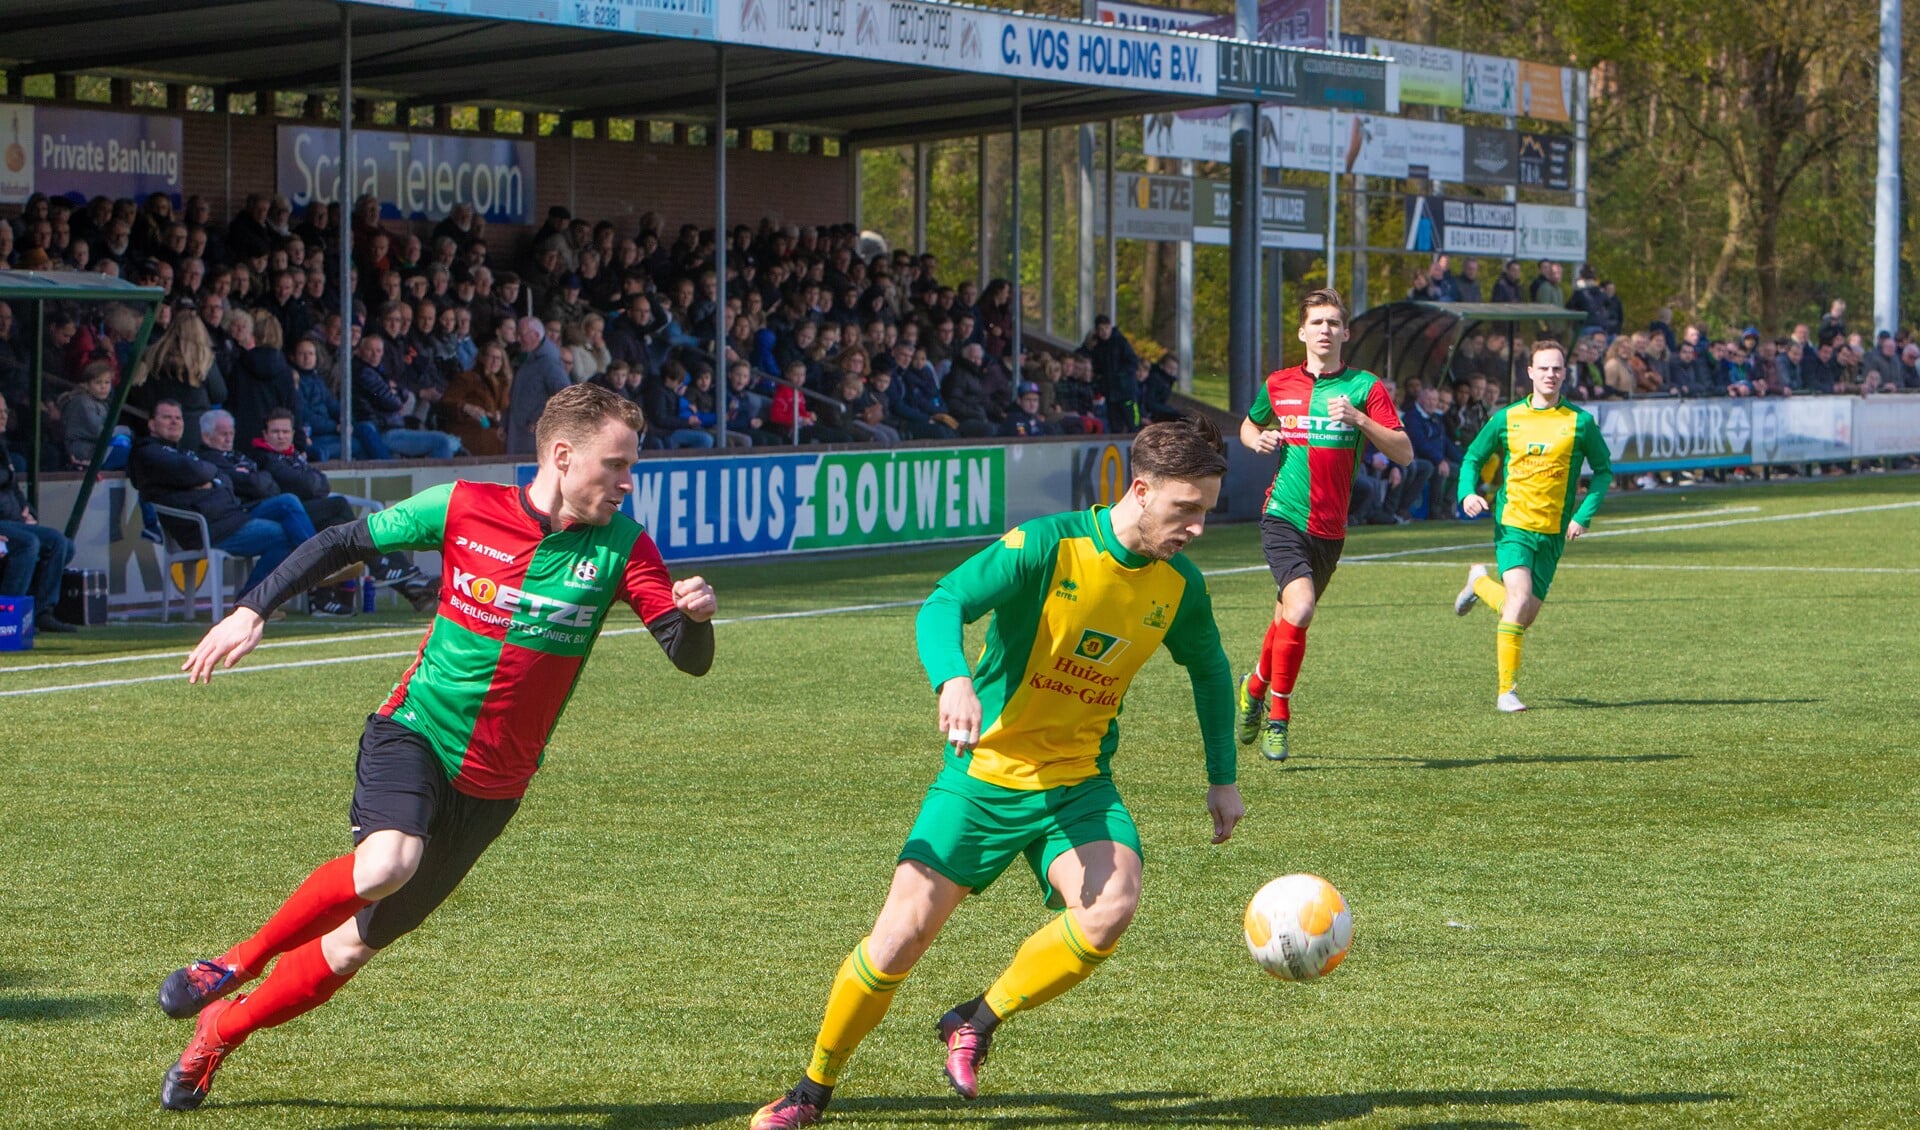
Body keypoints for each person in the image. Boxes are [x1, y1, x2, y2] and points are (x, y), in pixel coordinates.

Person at [155, 384, 718, 1111]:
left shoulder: (622, 547)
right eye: (615, 465)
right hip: (414, 733)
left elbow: (688, 657)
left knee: (351, 948)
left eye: (630, 467)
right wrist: (250, 610)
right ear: (562, 454)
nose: (627, 482)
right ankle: (232, 963)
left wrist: (694, 615)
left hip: (495, 787)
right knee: (388, 860)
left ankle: (218, 1034)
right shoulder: (462, 506)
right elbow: (343, 541)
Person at [750, 417, 1243, 1130]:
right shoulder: (1048, 545)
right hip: (983, 775)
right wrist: (953, 680)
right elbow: (944, 602)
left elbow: (1210, 670)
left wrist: (1221, 777)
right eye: (1186, 509)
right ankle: (811, 1090)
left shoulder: (1180, 586)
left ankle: (977, 1018)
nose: (1197, 526)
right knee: (898, 940)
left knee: (1111, 907)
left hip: (1076, 783)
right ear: (1141, 489)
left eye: (1206, 510)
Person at [1234, 288, 1410, 761]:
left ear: (1346, 332)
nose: (1325, 330)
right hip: (1283, 514)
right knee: (1302, 607)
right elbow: (1249, 425)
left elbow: (1403, 451)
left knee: (1287, 617)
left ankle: (1253, 685)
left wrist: (1359, 420)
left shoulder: (1365, 387)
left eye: (1334, 323)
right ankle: (1278, 716)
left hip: (1331, 528)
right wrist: (1257, 440)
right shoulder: (1278, 384)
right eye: (1317, 323)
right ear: (1302, 332)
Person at [1453, 340, 1614, 712]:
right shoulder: (1506, 418)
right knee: (1519, 598)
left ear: (1564, 373)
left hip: (1554, 531)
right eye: (1543, 368)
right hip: (1513, 525)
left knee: (1522, 616)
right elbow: (1473, 458)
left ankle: (1478, 581)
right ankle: (1506, 692)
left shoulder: (1580, 422)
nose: (1550, 374)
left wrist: (1582, 515)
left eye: (1557, 368)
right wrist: (1467, 493)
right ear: (1529, 372)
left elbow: (1604, 472)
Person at [0, 399, 80, 633]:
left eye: (5, 411)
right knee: (28, 544)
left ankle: (41, 612)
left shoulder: (2, 446)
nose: (3, 416)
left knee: (60, 543)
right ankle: (7, 616)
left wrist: (28, 512)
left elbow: (13, 488)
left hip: (12, 521)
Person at [506, 316, 570, 455]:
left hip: (533, 444)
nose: (518, 339)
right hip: (520, 438)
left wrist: (541, 419)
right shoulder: (527, 360)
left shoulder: (549, 364)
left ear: (535, 335)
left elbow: (565, 395)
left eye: (521, 335)